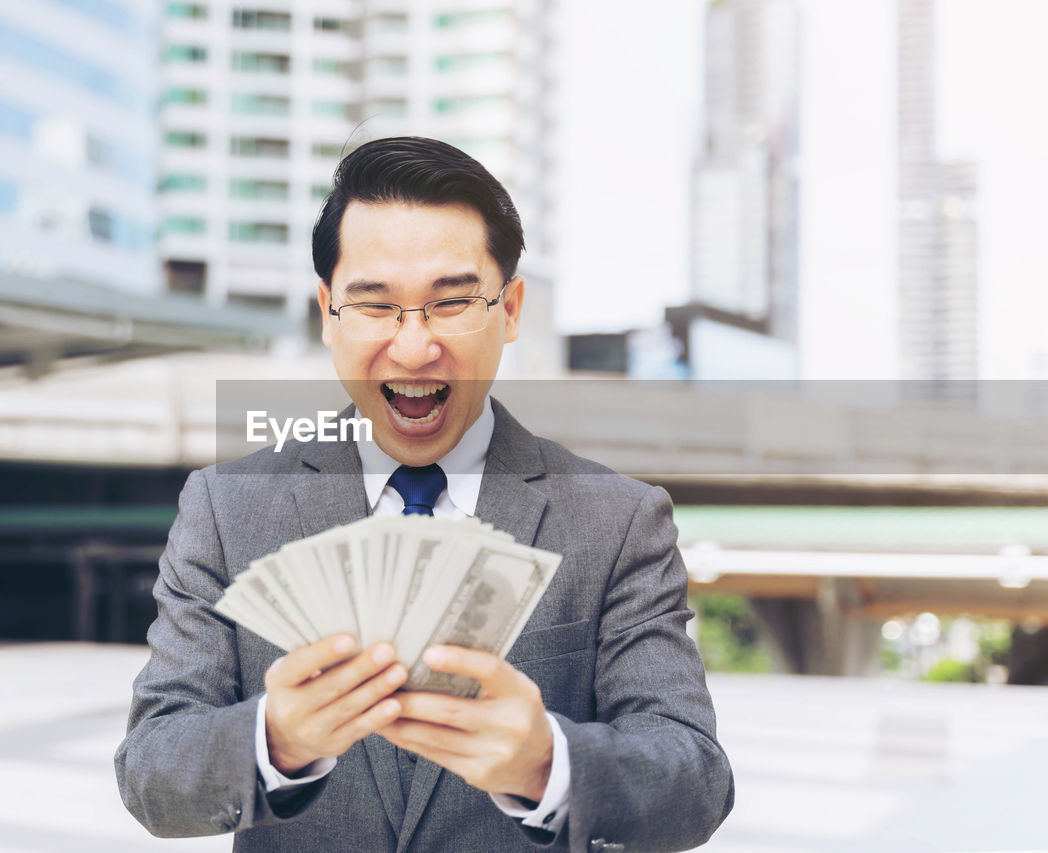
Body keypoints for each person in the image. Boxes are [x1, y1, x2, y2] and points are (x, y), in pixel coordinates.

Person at [115, 137, 734, 853]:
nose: (413, 348)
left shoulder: (619, 520)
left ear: (510, 310)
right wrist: (274, 738)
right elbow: (150, 772)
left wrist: (545, 762)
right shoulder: (226, 508)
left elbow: (694, 784)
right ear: (328, 312)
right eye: (375, 305)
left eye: (451, 301)